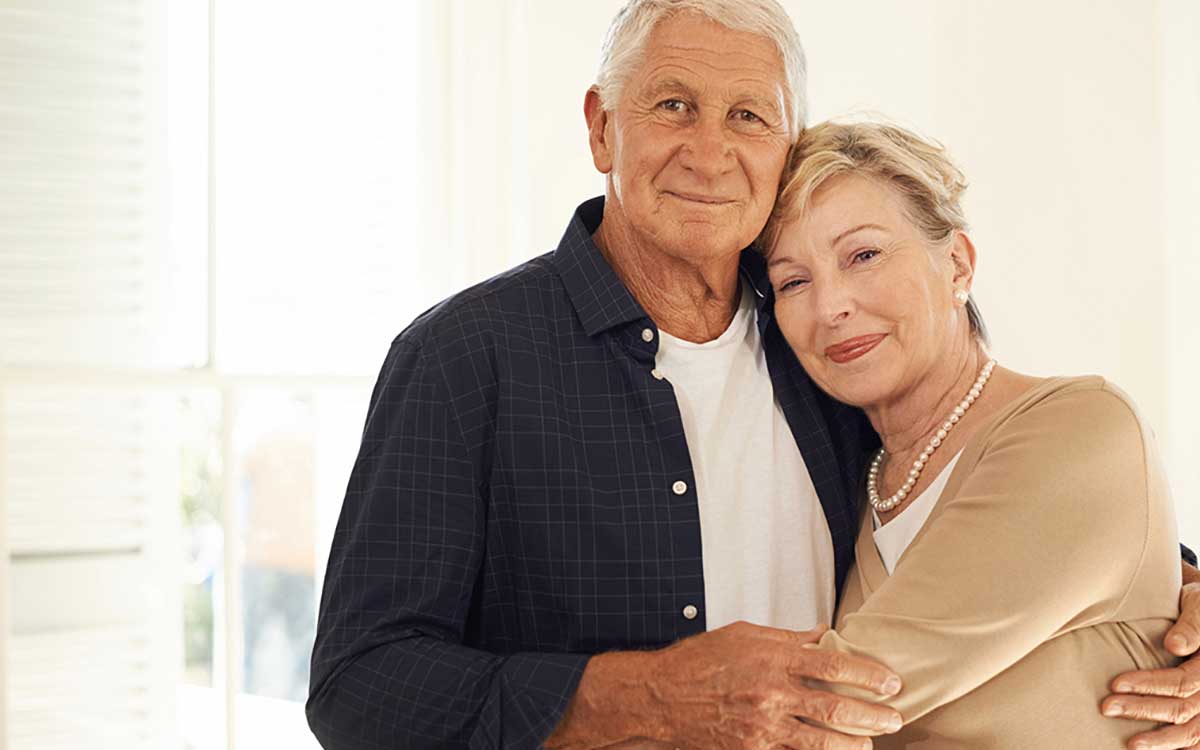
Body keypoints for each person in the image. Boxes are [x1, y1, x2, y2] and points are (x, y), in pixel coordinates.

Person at [306, 2, 1200, 749]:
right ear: (600, 127)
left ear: (786, 146)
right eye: (671, 105)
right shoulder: (465, 357)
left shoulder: (824, 344)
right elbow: (359, 687)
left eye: (748, 115)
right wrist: (646, 698)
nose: (708, 150)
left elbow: (1000, 497)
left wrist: (1178, 602)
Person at [762, 120, 1194, 748]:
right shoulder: (855, 490)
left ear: (958, 264)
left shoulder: (1082, 428)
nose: (830, 306)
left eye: (864, 254)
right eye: (792, 281)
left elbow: (833, 705)